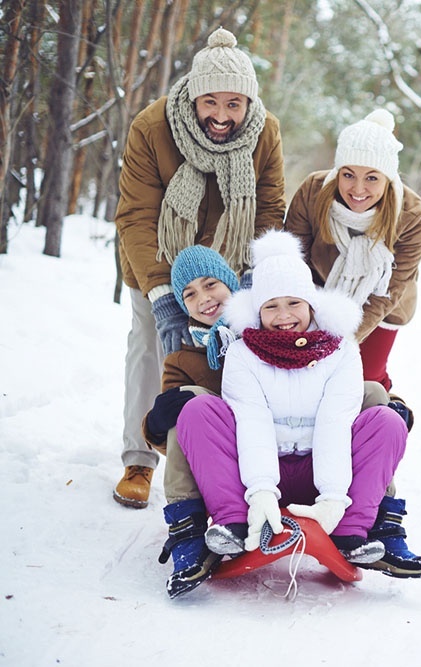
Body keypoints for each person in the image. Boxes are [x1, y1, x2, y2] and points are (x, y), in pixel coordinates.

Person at [173, 231, 421, 599]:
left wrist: (333, 497)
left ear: (311, 304)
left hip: (321, 471)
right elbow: (251, 421)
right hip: (259, 475)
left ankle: (351, 530)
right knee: (197, 409)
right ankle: (233, 524)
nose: (283, 316)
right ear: (257, 310)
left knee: (386, 419)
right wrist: (261, 493)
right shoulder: (242, 354)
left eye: (293, 303)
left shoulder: (340, 350)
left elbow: (335, 421)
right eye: (271, 306)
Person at [113, 27, 286, 509]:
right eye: (211, 102)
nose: (222, 116)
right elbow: (136, 215)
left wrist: (251, 277)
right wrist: (162, 295)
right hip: (158, 258)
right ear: (193, 96)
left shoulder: (265, 132)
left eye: (234, 104)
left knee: (233, 355)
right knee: (151, 345)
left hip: (230, 265)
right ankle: (139, 459)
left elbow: (270, 207)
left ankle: (223, 460)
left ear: (249, 102)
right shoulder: (153, 126)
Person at [284, 110, 421, 579]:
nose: (358, 188)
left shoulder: (413, 216)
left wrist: (340, 341)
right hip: (315, 298)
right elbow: (292, 264)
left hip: (379, 308)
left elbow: (388, 292)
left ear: (388, 179)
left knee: (365, 390)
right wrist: (306, 330)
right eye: (348, 174)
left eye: (372, 178)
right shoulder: (313, 192)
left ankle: (383, 514)